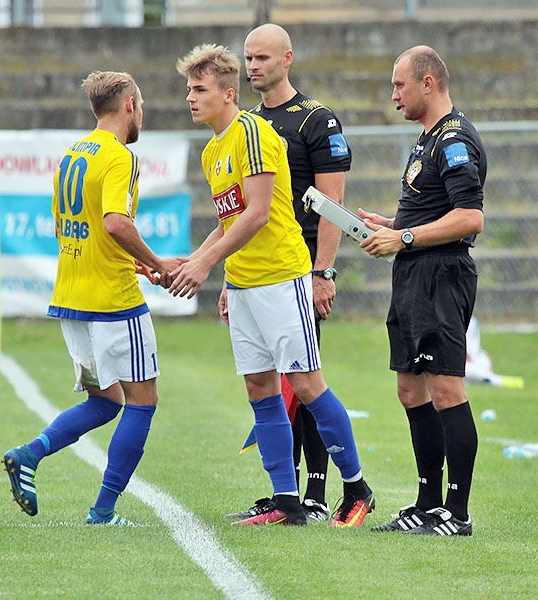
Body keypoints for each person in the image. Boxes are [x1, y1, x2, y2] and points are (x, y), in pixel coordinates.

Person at [171, 43, 374, 527]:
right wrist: (198, 263)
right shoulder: (214, 149)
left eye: (199, 90)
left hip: (282, 280)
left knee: (306, 385)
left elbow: (259, 214)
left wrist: (203, 265)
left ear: (227, 93)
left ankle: (357, 489)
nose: (190, 99)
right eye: (188, 90)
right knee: (260, 388)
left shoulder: (254, 133)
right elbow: (229, 221)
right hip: (243, 286)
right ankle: (287, 503)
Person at [1, 71, 178, 525]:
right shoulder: (120, 156)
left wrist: (131, 261)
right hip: (112, 301)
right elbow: (115, 223)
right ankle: (103, 511)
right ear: (130, 106)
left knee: (105, 401)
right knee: (143, 400)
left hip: (73, 296)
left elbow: (75, 225)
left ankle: (29, 454)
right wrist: (157, 264)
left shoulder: (73, 153)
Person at [222, 23, 353, 524]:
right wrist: (233, 279)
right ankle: (288, 495)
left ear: (288, 58)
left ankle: (316, 496)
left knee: (303, 383)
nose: (254, 65)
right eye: (248, 58)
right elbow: (235, 211)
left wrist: (324, 272)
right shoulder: (247, 124)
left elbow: (332, 204)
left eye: (263, 58)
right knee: (270, 385)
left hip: (297, 271)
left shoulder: (316, 120)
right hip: (254, 276)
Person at [358, 46, 485, 536]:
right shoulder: (426, 139)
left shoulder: (454, 139)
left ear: (428, 82)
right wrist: (391, 224)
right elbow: (433, 211)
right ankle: (427, 503)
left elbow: (470, 217)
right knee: (409, 388)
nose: (394, 96)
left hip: (440, 275)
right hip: (413, 274)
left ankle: (458, 513)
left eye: (399, 85)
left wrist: (404, 236)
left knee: (447, 389)